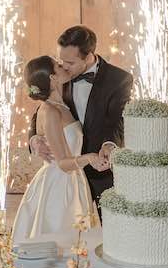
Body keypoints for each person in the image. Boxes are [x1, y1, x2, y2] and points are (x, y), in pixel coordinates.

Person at [28, 25, 133, 221]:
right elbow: (41, 112)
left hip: (101, 173)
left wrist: (109, 146)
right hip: (63, 177)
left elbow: (119, 120)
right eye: (61, 61)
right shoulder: (59, 76)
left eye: (70, 62)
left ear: (88, 56)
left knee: (108, 233)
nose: (64, 66)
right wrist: (34, 138)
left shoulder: (119, 79)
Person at [11, 55, 102, 240]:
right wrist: (90, 158)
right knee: (61, 238)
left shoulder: (62, 105)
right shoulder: (50, 111)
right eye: (58, 65)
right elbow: (61, 163)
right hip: (59, 185)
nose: (63, 66)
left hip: (75, 179)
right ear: (53, 78)